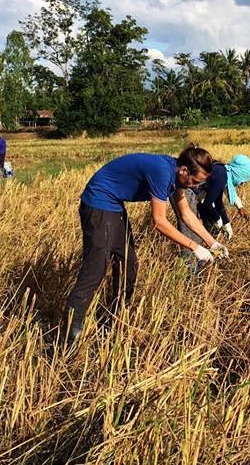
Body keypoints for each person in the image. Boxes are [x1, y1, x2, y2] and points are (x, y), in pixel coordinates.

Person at [64, 145, 228, 346]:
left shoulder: (178, 179)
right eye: (194, 181)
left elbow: (187, 215)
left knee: (128, 264)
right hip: (98, 201)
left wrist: (213, 243)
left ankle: (112, 321)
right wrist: (195, 247)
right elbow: (159, 222)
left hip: (114, 205)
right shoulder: (162, 171)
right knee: (95, 269)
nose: (195, 186)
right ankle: (70, 333)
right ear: (184, 170)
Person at [170, 154, 250, 272]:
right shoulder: (221, 176)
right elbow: (208, 203)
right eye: (243, 181)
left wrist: (226, 223)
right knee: (190, 233)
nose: (242, 184)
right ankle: (189, 270)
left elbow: (218, 202)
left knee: (195, 234)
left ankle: (194, 267)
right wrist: (218, 219)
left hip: (189, 193)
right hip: (186, 193)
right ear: (239, 174)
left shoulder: (223, 174)